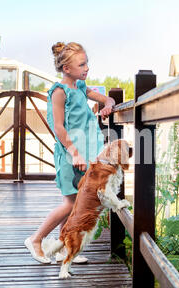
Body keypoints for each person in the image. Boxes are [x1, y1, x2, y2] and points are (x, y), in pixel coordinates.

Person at [24, 42, 115, 263]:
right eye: (81, 64)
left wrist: (108, 105)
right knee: (70, 203)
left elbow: (106, 99)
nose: (87, 68)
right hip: (70, 155)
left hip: (85, 156)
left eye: (87, 63)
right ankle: (36, 239)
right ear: (66, 68)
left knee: (76, 202)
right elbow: (59, 127)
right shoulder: (59, 92)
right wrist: (74, 153)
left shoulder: (81, 88)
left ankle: (63, 246)